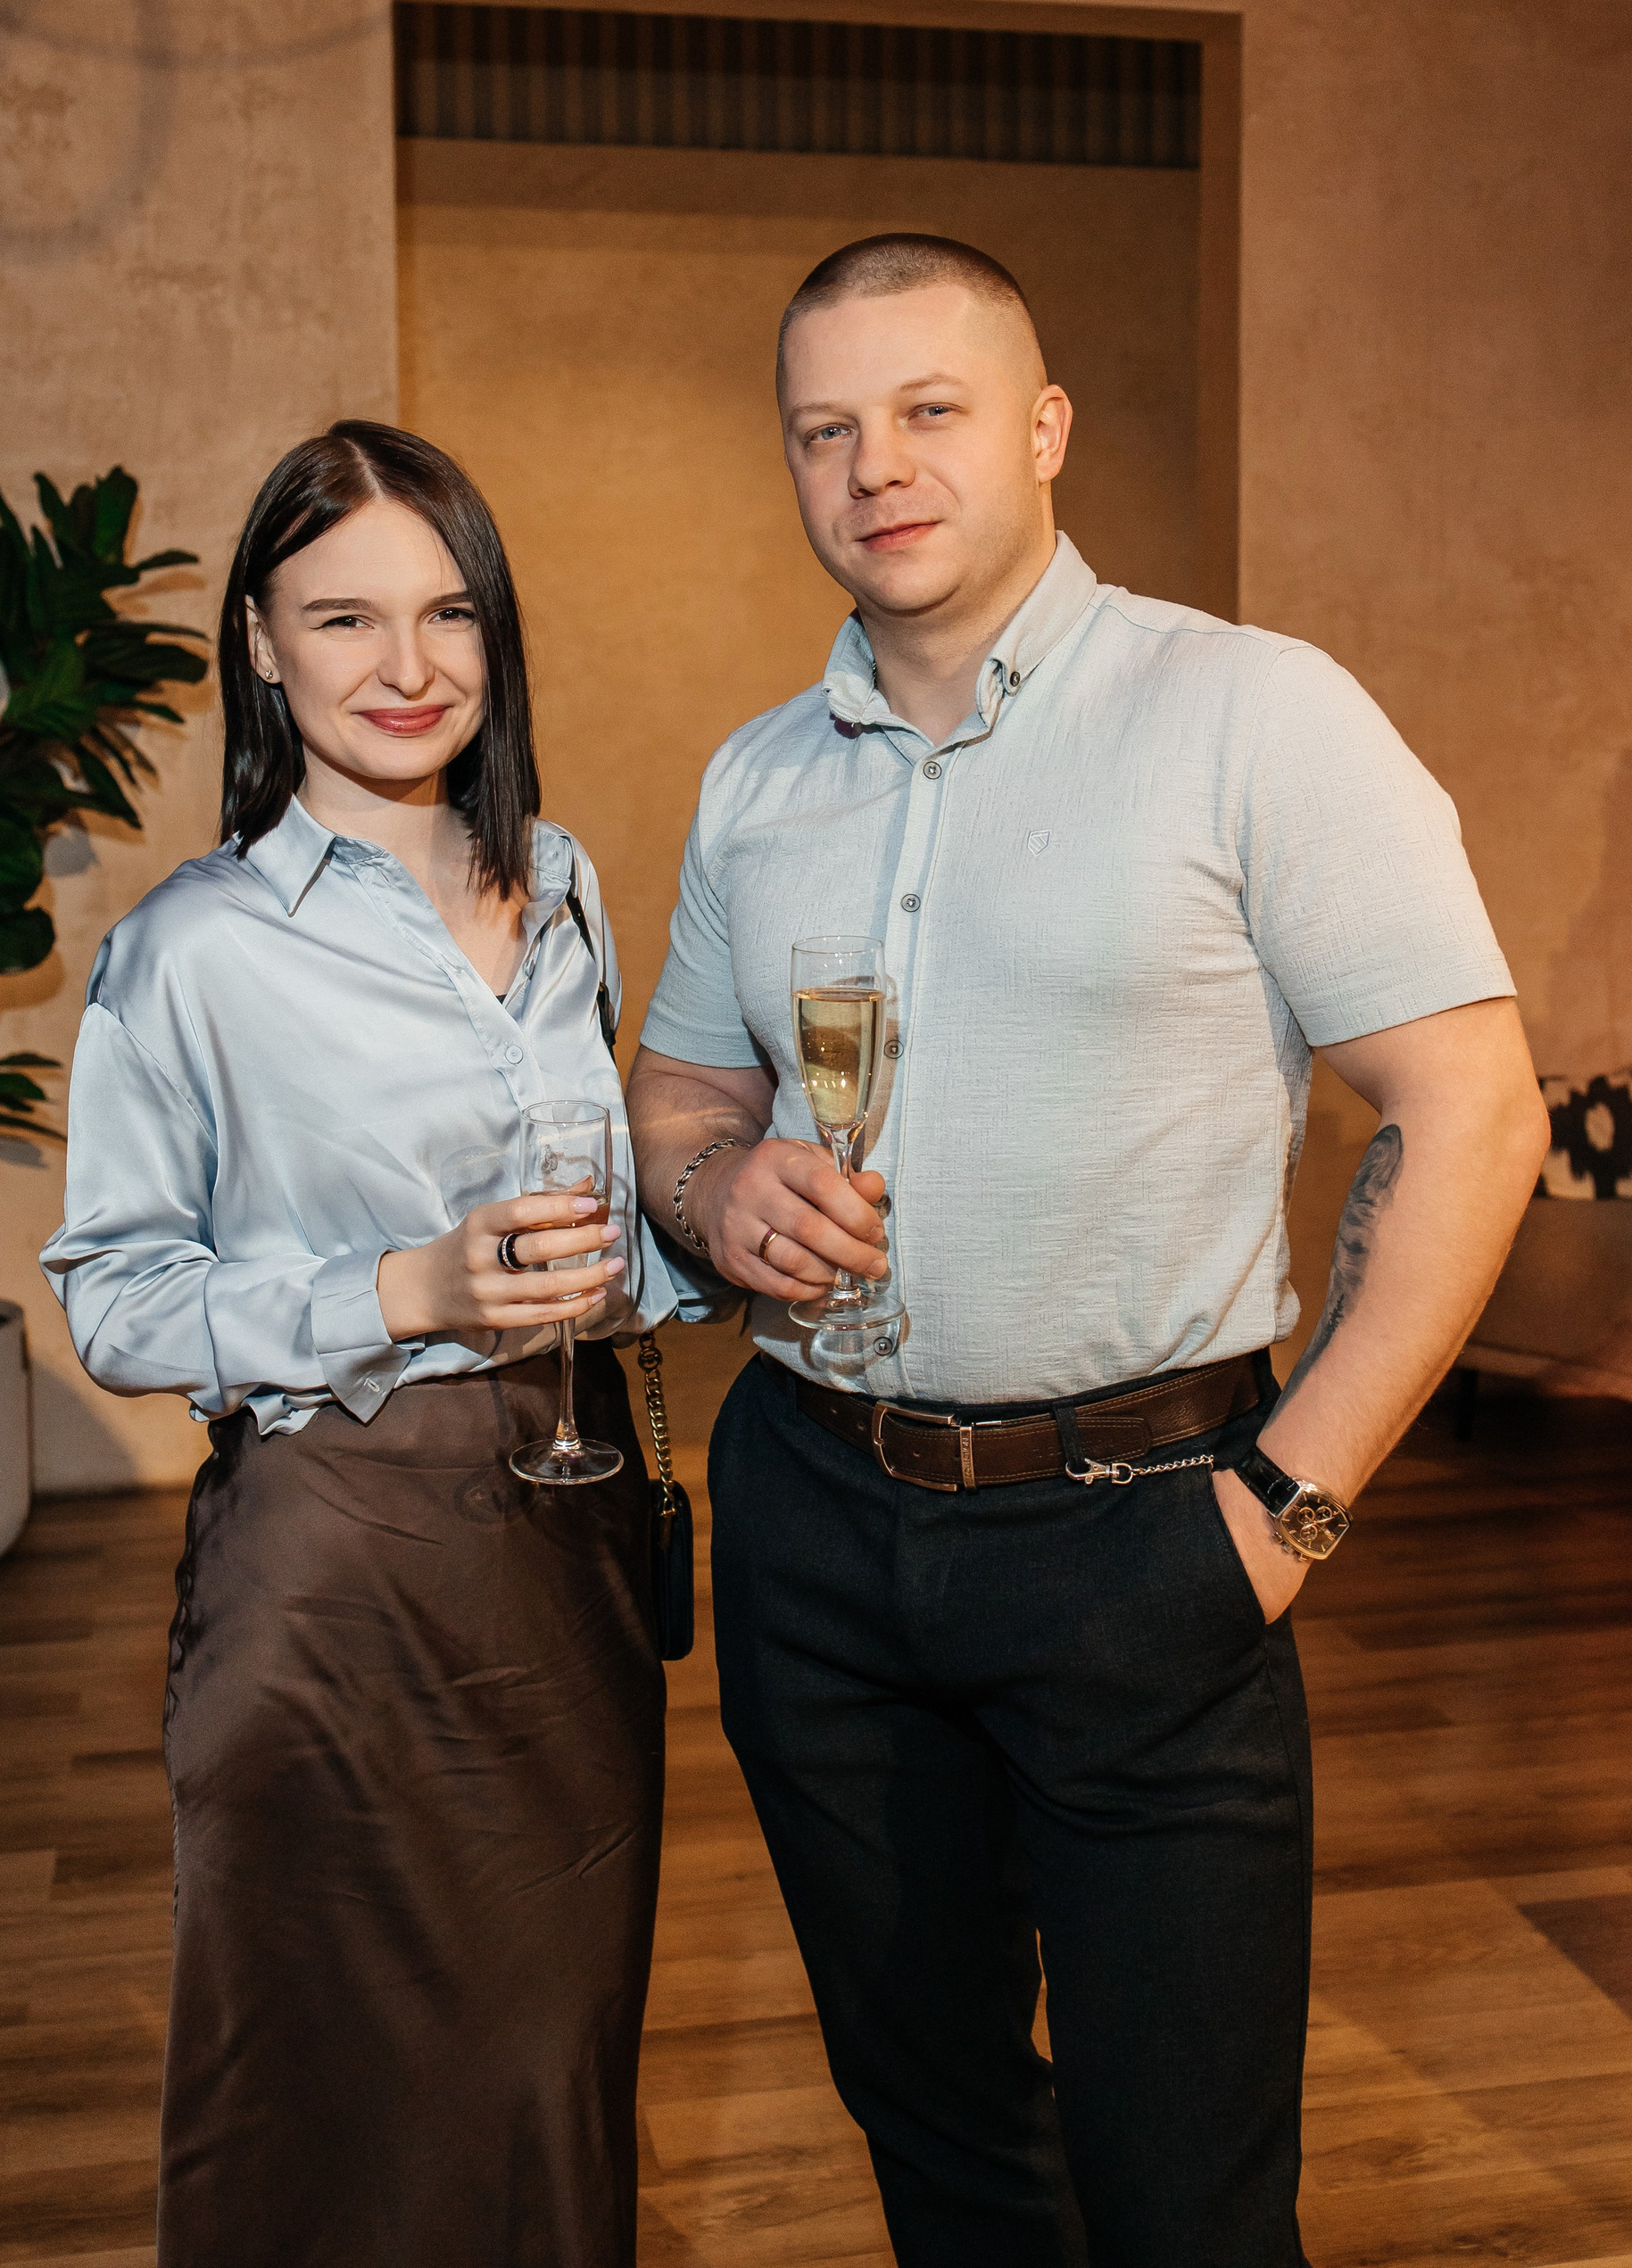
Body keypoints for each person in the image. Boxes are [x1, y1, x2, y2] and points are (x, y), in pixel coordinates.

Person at [627, 236, 1549, 2268]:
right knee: (938, 2134)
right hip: (813, 1537)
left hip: (1151, 1537)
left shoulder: (1251, 715)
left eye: (929, 410)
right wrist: (715, 1193)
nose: (876, 465)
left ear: (1044, 429)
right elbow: (681, 1097)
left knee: (1184, 2192)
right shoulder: (759, 778)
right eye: (825, 430)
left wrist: (1287, 1506)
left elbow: (1477, 1111)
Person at [42, 420, 676, 2268]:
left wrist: (717, 1229)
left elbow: (605, 1226)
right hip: (331, 1569)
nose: (408, 666)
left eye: (449, 613)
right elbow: (116, 1300)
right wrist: (400, 1290)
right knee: (321, 2091)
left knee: (549, 2066)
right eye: (343, 619)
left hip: (570, 1544)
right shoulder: (194, 949)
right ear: (260, 641)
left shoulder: (562, 885)